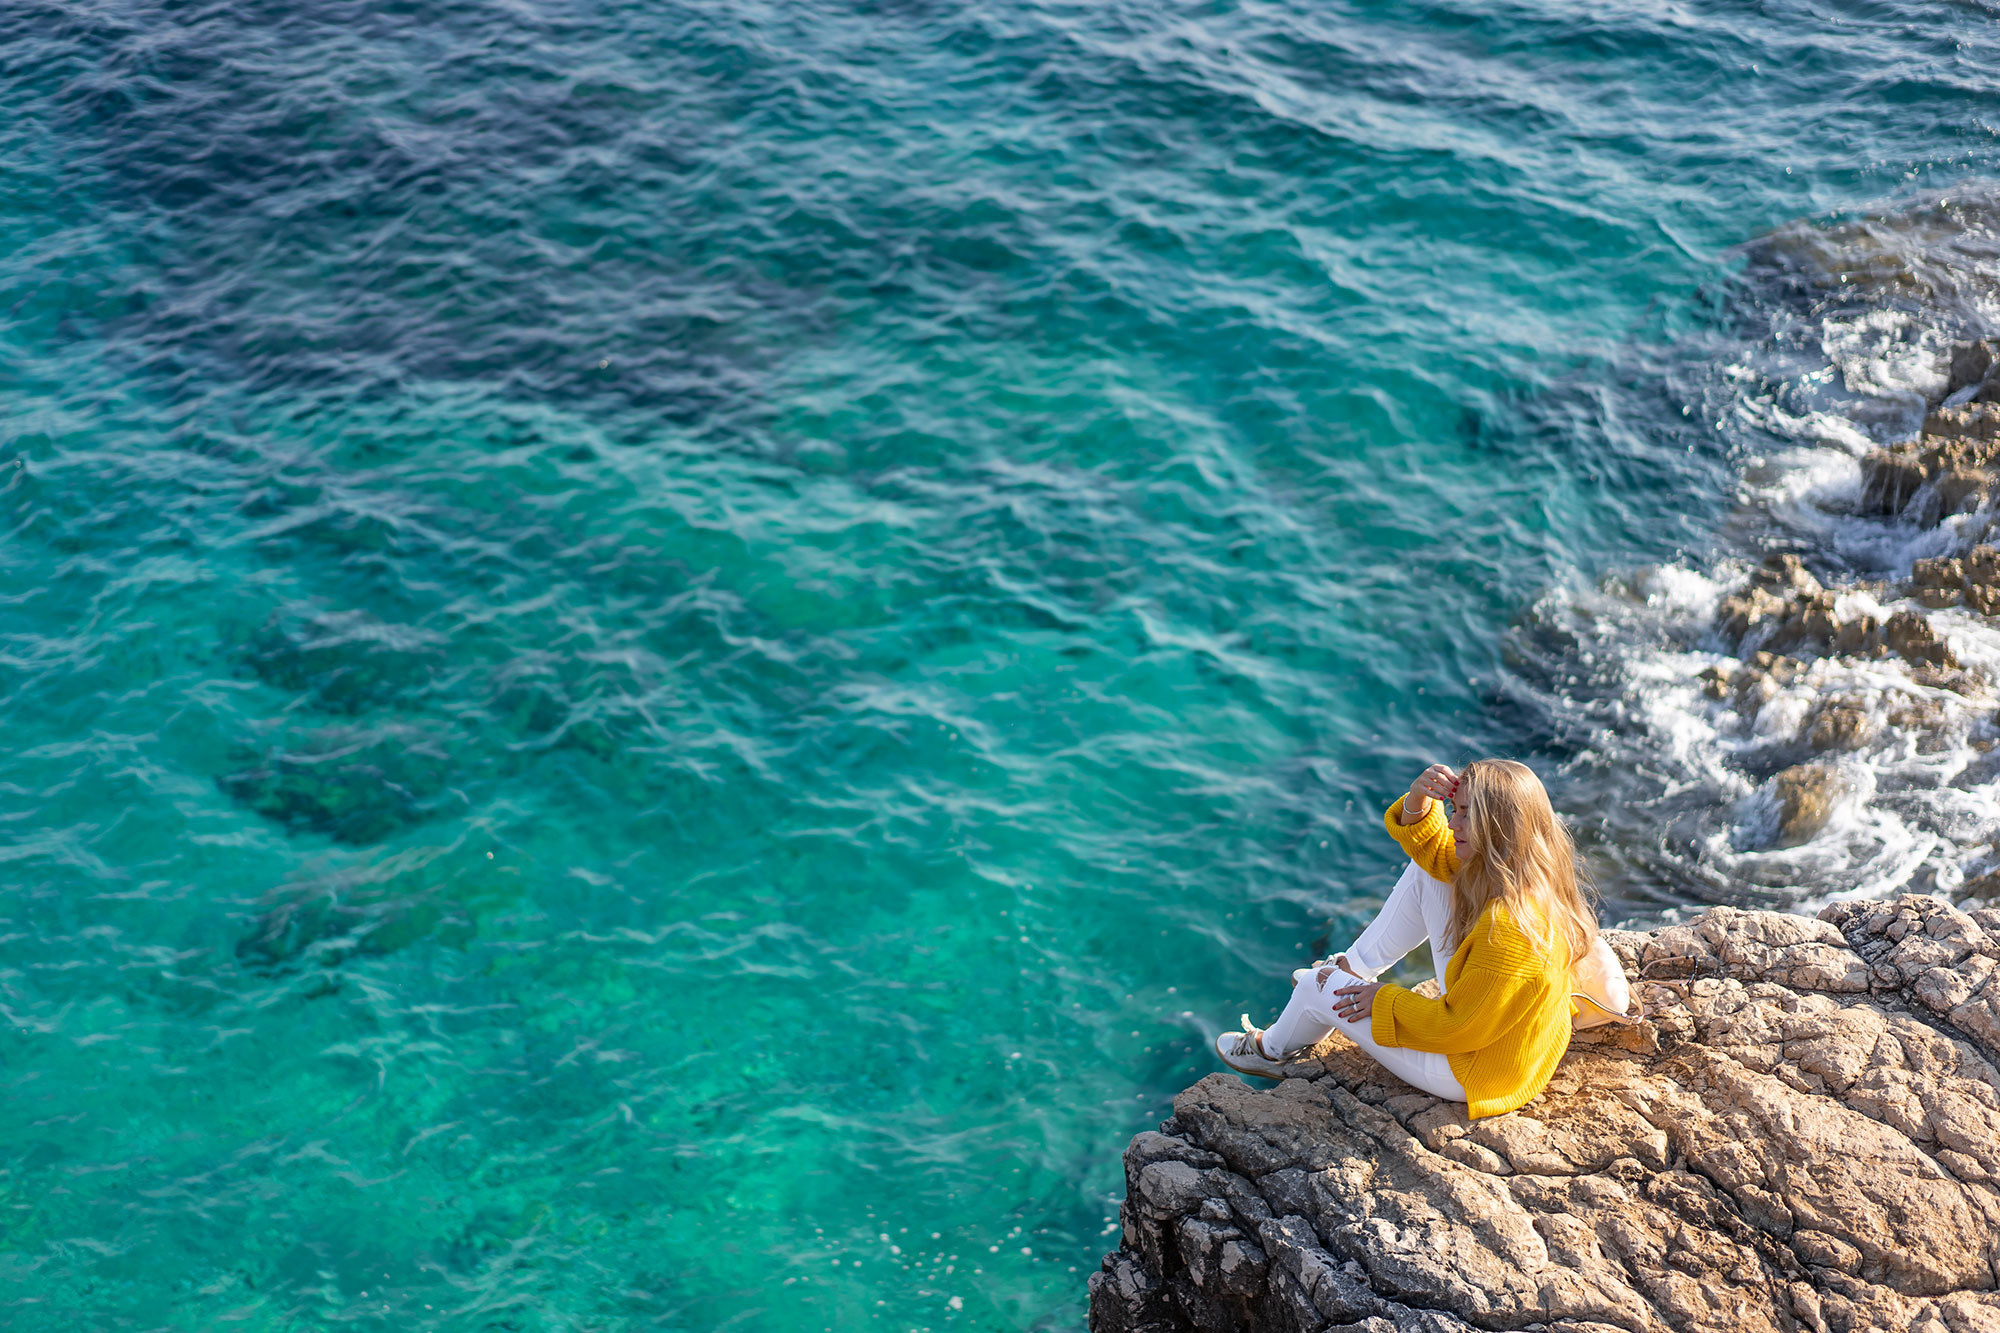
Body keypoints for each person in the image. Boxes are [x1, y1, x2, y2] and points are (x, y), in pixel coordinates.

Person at [1213, 759, 1623, 1120]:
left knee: (1316, 987)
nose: (1453, 824)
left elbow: (1458, 1029)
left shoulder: (1509, 929)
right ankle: (1352, 969)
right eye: (1455, 810)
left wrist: (1383, 999)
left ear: (1499, 826)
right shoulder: (1529, 871)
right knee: (1428, 872)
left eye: (1466, 815)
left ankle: (1271, 1052)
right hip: (1505, 1038)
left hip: (1473, 1069)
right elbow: (1434, 853)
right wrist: (1418, 800)